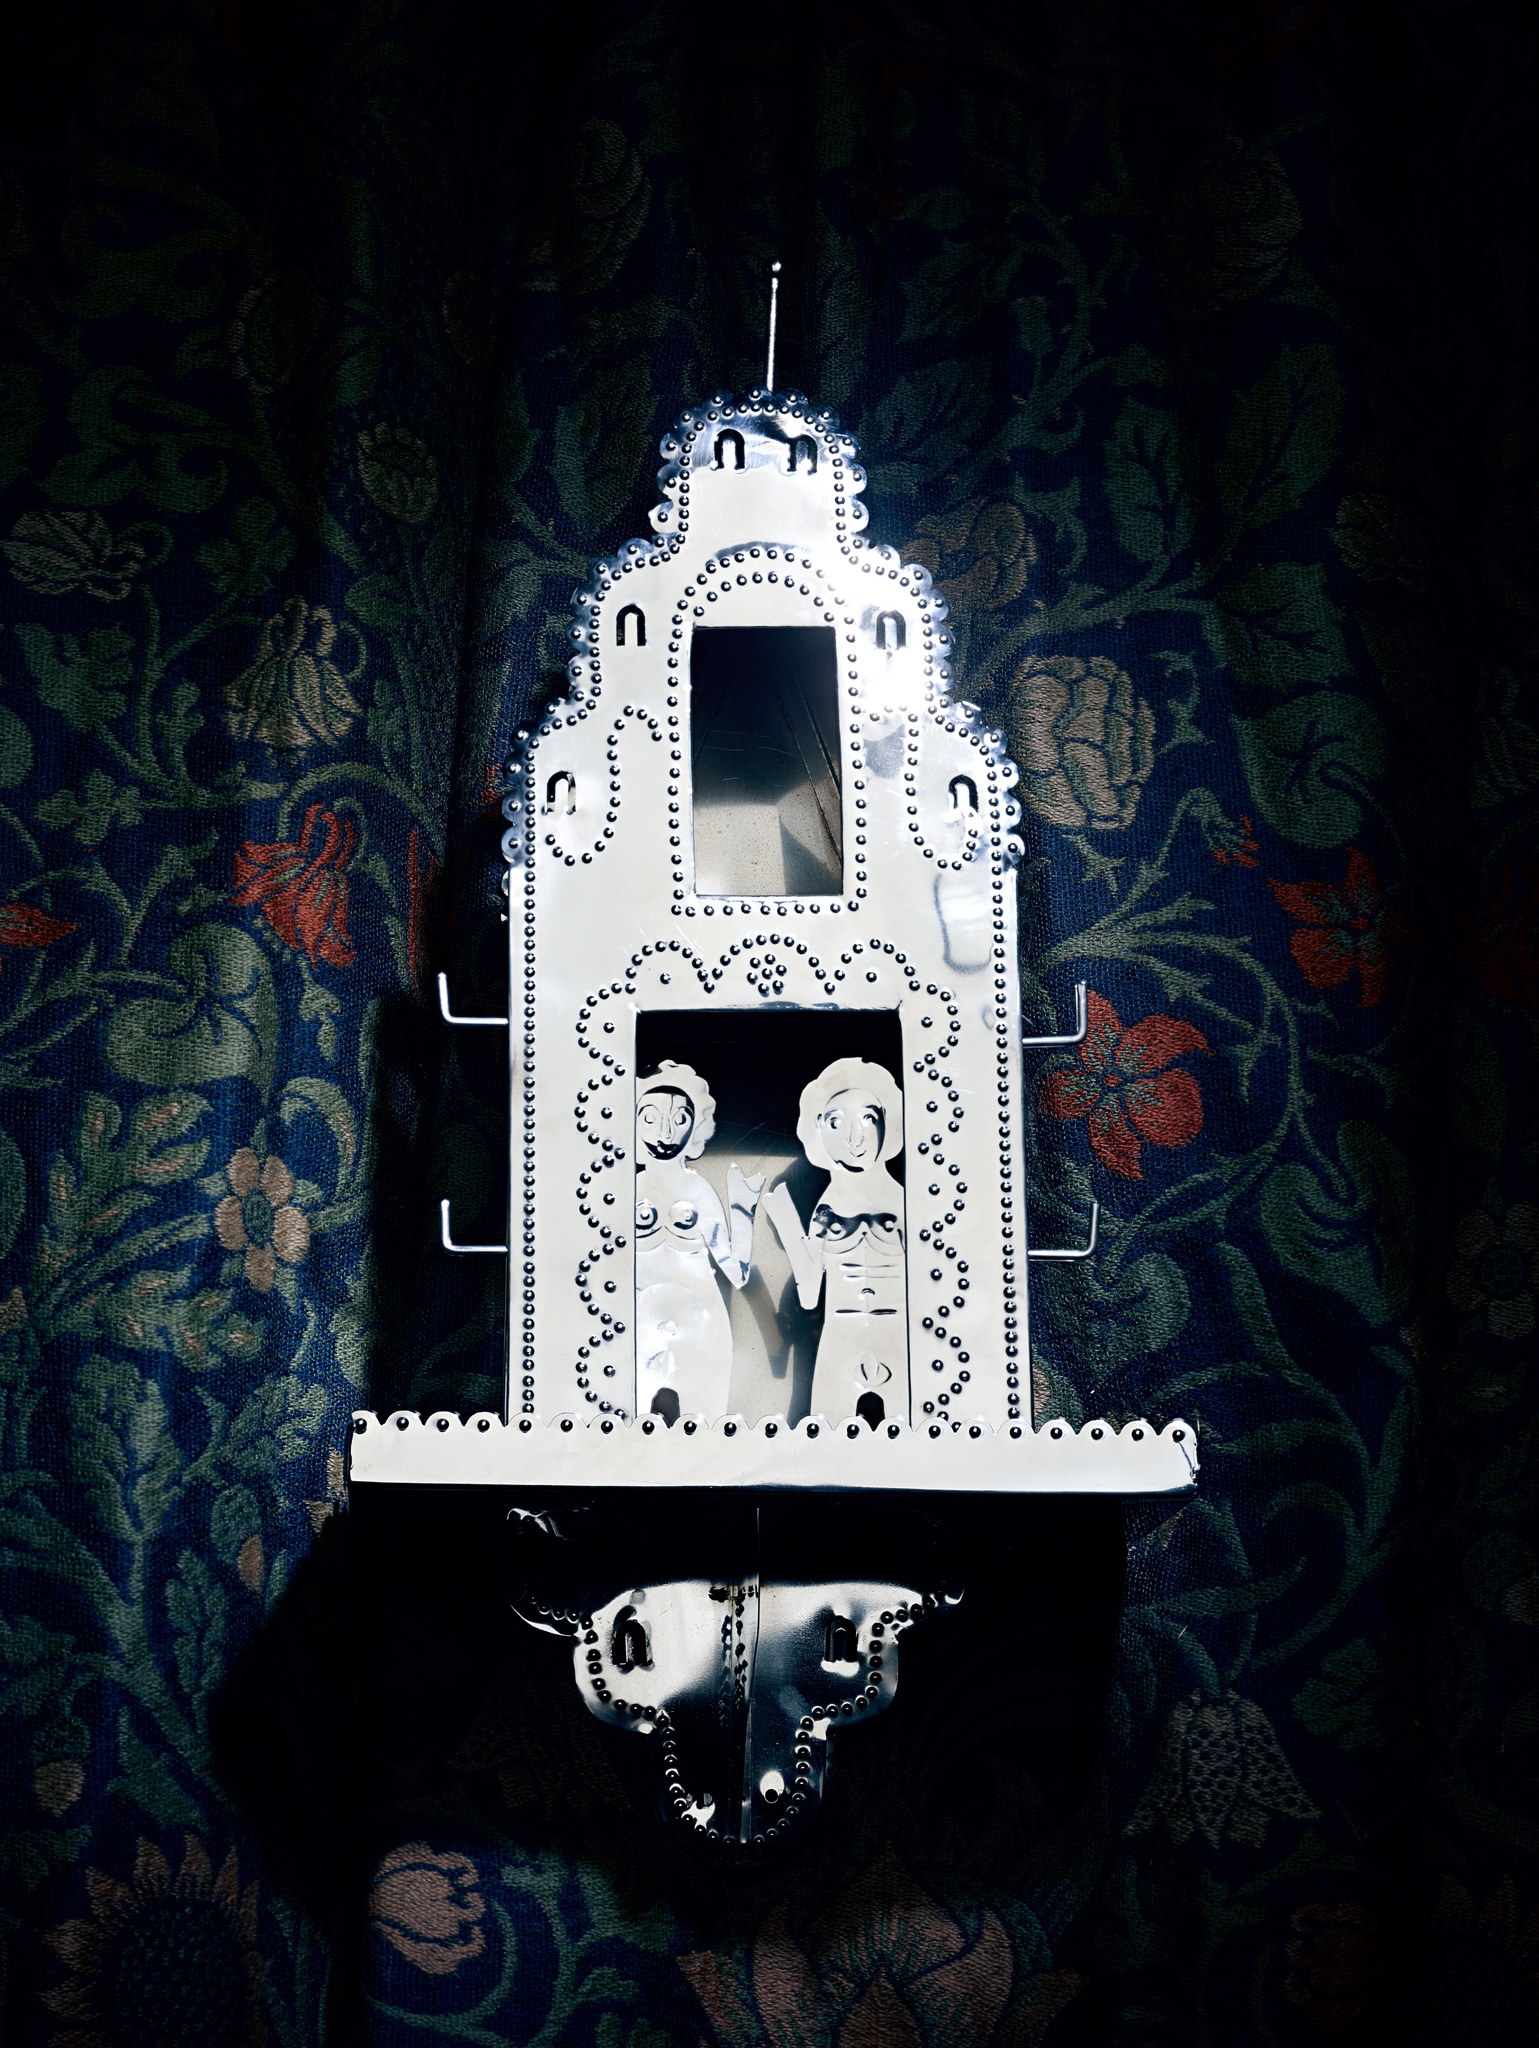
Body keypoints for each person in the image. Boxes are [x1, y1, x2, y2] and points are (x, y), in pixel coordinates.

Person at [763, 1057, 908, 1426]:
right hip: (840, 1334)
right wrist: (786, 1221)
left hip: (898, 1332)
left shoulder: (901, 1201)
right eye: (835, 1122)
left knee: (910, 1433)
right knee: (828, 1432)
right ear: (818, 1131)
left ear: (887, 1123)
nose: (854, 1138)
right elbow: (810, 1293)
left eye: (867, 1119)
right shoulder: (828, 1205)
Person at [634, 1063, 763, 1421]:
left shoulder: (697, 1189)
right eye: (650, 1118)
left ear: (695, 1127)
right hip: (638, 1328)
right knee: (626, 1431)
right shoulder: (625, 1190)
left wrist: (742, 1210)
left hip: (702, 1328)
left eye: (679, 1119)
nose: (664, 1131)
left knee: (706, 1426)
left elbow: (736, 1273)